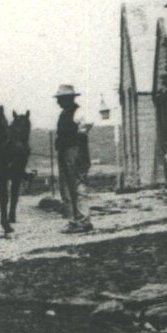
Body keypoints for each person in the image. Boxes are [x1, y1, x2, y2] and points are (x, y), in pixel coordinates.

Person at [52, 84, 93, 232]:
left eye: (60, 98)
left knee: (77, 185)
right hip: (64, 152)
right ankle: (73, 221)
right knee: (66, 188)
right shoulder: (64, 114)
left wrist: (77, 140)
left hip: (75, 152)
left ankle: (83, 221)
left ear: (69, 99)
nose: (58, 101)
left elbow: (86, 126)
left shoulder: (79, 112)